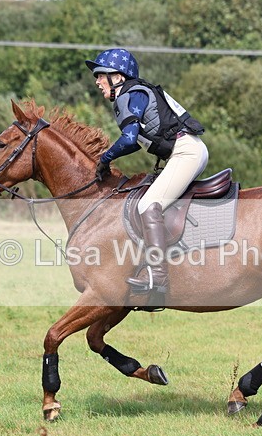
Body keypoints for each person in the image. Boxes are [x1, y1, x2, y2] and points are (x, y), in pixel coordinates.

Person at [85, 48, 208, 295]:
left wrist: (105, 159)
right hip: (185, 151)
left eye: (100, 75)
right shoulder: (135, 92)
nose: (97, 82)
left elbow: (130, 139)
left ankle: (158, 276)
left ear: (118, 76)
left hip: (186, 152)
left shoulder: (131, 94)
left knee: (147, 205)